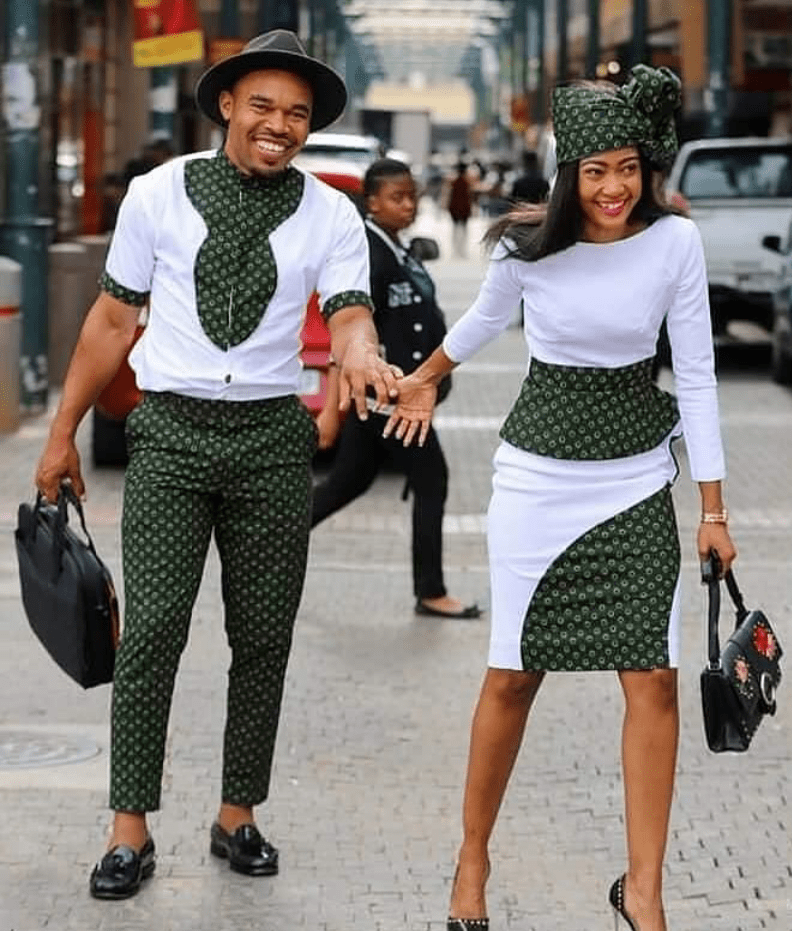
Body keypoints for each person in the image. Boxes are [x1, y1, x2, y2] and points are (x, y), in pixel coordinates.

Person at [34, 29, 398, 901]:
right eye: (264, 105)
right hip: (169, 438)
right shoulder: (157, 195)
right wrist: (61, 433)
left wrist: (362, 350)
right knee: (153, 631)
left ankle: (237, 814)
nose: (280, 124)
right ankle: (129, 828)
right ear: (227, 105)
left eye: (297, 113)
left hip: (272, 440)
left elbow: (347, 313)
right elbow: (112, 322)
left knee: (263, 638)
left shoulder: (332, 214)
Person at [383, 65, 737, 931]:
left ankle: (643, 891)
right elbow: (472, 329)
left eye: (627, 167)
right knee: (512, 675)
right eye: (595, 171)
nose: (614, 187)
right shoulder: (524, 248)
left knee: (652, 677)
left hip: (635, 479)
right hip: (537, 482)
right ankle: (473, 859)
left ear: (645, 169)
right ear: (568, 173)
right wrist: (424, 380)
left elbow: (695, 374)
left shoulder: (675, 246)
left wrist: (714, 509)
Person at [312, 158, 480, 619]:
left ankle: (267, 544)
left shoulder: (397, 249)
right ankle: (431, 590)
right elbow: (345, 334)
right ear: (371, 203)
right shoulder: (369, 254)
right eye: (397, 197)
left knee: (351, 480)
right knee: (433, 480)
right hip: (390, 397)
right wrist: (331, 409)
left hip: (393, 396)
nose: (408, 205)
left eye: (412, 196)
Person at [447, 161, 474, 257]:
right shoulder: (466, 182)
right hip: (464, 209)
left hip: (455, 208)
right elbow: (469, 197)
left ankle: (456, 249)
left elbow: (450, 196)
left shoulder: (454, 182)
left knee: (455, 229)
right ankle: (461, 249)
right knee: (464, 230)